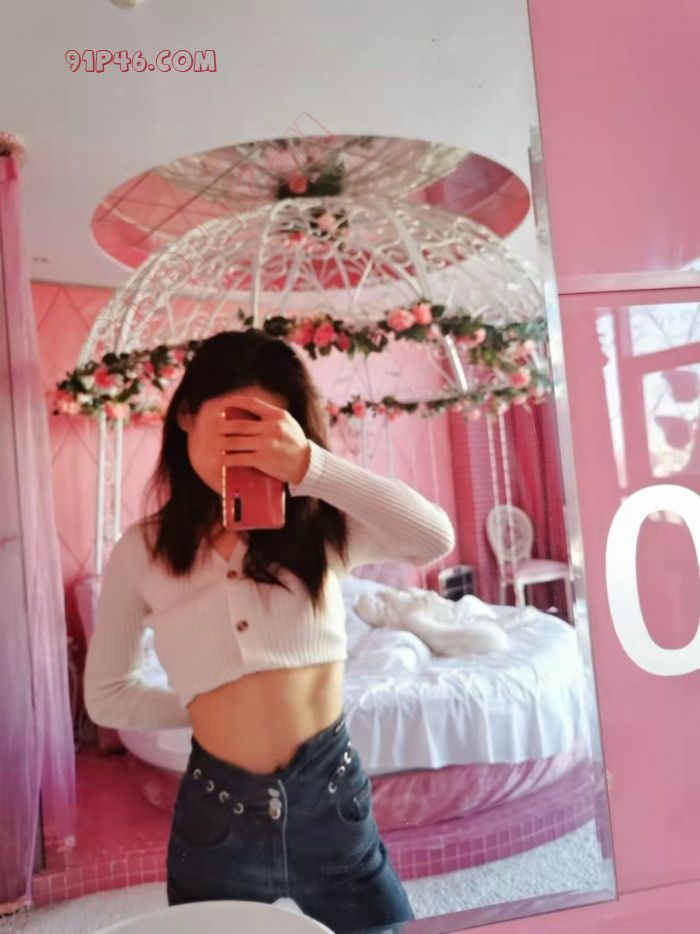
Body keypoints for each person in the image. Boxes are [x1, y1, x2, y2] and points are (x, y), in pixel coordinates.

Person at [84, 329, 455, 933]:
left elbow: (432, 538)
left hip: (332, 797)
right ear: (186, 416)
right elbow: (108, 695)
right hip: (218, 814)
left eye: (270, 434)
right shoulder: (142, 551)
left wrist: (311, 467)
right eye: (236, 429)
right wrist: (210, 704)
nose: (248, 454)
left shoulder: (325, 527)